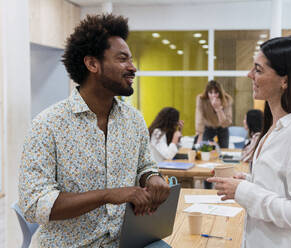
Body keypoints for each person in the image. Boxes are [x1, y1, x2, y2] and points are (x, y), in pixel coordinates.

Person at [18, 14, 170, 248]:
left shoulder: (134, 120)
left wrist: (153, 177)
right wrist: (108, 195)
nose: (132, 68)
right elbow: (35, 205)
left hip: (126, 241)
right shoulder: (47, 126)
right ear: (92, 64)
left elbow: (144, 164)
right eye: (122, 59)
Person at [208, 36, 291, 248]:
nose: (249, 75)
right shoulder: (275, 129)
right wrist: (250, 181)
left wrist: (244, 192)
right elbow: (280, 187)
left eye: (258, 70)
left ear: (285, 80)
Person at [195, 80, 233, 148]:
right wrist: (199, 134)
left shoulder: (227, 99)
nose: (213, 95)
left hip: (222, 128)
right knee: (205, 149)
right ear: (207, 93)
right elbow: (199, 118)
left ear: (220, 92)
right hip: (208, 128)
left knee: (224, 150)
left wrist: (218, 109)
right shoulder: (201, 99)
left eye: (216, 92)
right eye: (210, 93)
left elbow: (226, 123)